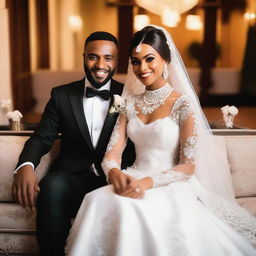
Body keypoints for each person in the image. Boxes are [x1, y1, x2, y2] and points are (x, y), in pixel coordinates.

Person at [66, 25, 256, 255]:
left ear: (165, 60)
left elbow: (188, 166)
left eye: (149, 59)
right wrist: (115, 174)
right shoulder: (128, 103)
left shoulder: (183, 104)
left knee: (132, 209)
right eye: (135, 61)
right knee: (96, 199)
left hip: (169, 183)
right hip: (131, 176)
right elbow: (112, 155)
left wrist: (147, 183)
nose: (142, 68)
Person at [11, 31, 135, 256]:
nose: (100, 64)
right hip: (72, 178)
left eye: (108, 58)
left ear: (117, 61)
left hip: (114, 178)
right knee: (51, 185)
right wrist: (25, 166)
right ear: (84, 57)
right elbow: (42, 137)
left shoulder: (129, 96)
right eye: (93, 56)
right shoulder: (61, 95)